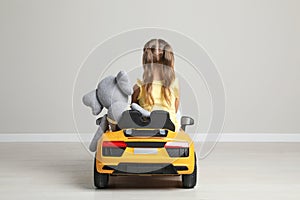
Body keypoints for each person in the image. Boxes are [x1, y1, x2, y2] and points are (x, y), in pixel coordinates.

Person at [131, 39, 180, 131]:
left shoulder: (138, 87)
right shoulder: (174, 85)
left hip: (146, 130)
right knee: (177, 114)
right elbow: (175, 109)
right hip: (170, 130)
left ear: (145, 61)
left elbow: (133, 108)